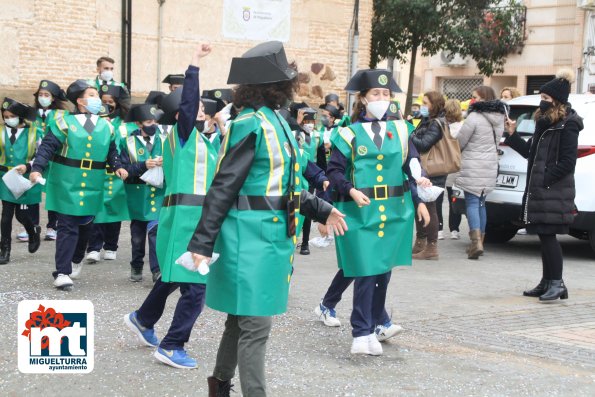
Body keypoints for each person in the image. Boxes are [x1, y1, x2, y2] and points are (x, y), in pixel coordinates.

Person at [186, 41, 347, 397]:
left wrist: (322, 208)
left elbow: (283, 185)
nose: (294, 84)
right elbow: (223, 187)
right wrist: (201, 243)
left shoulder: (276, 121)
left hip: (271, 237)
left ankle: (219, 387)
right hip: (248, 237)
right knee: (256, 324)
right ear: (273, 85)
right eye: (288, 78)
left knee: (239, 319)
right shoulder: (249, 124)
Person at [124, 44, 216, 369]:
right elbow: (189, 104)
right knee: (196, 288)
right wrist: (195, 65)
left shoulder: (204, 142)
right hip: (185, 219)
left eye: (205, 109)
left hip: (194, 219)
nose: (202, 111)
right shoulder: (183, 135)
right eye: (197, 108)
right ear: (182, 115)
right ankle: (172, 345)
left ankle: (142, 319)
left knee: (174, 279)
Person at [326, 68, 430, 355]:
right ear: (363, 98)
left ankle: (371, 328)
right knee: (365, 270)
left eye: (386, 94)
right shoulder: (347, 133)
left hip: (395, 210)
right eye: (376, 94)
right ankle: (360, 331)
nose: (382, 98)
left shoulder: (402, 129)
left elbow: (410, 167)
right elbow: (333, 170)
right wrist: (349, 189)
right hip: (360, 211)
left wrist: (419, 199)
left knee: (383, 272)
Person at [29, 79, 128, 290]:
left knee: (86, 227)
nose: (97, 100)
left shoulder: (106, 126)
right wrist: (37, 168)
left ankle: (75, 259)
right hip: (66, 181)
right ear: (80, 101)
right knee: (67, 226)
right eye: (92, 95)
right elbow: (47, 147)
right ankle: (62, 272)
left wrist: (118, 166)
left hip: (93, 181)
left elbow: (112, 151)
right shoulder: (64, 123)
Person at [504, 70, 580, 301]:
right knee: (543, 235)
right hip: (540, 189)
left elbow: (568, 162)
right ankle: (549, 282)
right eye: (542, 98)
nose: (542, 102)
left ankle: (556, 283)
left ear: (557, 101)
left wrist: (545, 179)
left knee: (548, 235)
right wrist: (512, 134)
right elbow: (531, 153)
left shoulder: (569, 124)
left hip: (553, 189)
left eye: (546, 99)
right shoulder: (544, 122)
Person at [85, 84, 134, 264]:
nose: (107, 105)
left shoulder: (124, 125)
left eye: (110, 102)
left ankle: (111, 246)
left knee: (114, 211)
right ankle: (93, 247)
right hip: (97, 172)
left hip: (115, 173)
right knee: (95, 210)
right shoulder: (91, 121)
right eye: (103, 102)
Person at [456, 86, 506, 259]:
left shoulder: (474, 116)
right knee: (482, 202)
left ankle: (475, 242)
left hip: (472, 164)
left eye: (475, 97)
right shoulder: (500, 117)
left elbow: (461, 141)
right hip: (490, 164)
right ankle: (481, 241)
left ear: (484, 98)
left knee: (471, 201)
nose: (473, 101)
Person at [120, 104, 165, 282]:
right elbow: (124, 169)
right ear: (139, 124)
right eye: (148, 121)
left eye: (154, 121)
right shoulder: (128, 143)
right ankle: (136, 264)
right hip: (137, 195)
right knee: (137, 236)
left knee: (155, 232)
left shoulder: (164, 140)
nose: (152, 124)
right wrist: (143, 165)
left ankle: (156, 269)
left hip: (159, 193)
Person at [0, 98, 43, 264]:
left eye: (11, 115)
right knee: (6, 216)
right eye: (5, 116)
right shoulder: (1, 132)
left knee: (22, 214)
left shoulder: (34, 132)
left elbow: (41, 155)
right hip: (6, 180)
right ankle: (5, 251)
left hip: (26, 179)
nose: (8, 119)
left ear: (20, 116)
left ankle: (33, 232)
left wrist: (28, 166)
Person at [26, 80, 69, 242]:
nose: (43, 98)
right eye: (40, 95)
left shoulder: (62, 115)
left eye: (47, 95)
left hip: (54, 159)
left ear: (53, 98)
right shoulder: (30, 114)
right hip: (33, 159)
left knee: (53, 191)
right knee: (31, 191)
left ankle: (53, 226)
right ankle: (31, 226)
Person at [411, 91, 448, 260]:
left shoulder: (436, 123)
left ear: (434, 104)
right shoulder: (428, 120)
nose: (423, 106)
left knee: (430, 208)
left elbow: (424, 145)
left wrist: (409, 135)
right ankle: (420, 243)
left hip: (433, 171)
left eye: (426, 103)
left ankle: (431, 247)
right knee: (421, 205)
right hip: (424, 169)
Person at [442, 99, 464, 240]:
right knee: (453, 200)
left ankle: (439, 229)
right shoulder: (464, 127)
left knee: (440, 199)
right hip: (458, 166)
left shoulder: (442, 127)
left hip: (443, 165)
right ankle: (454, 229)